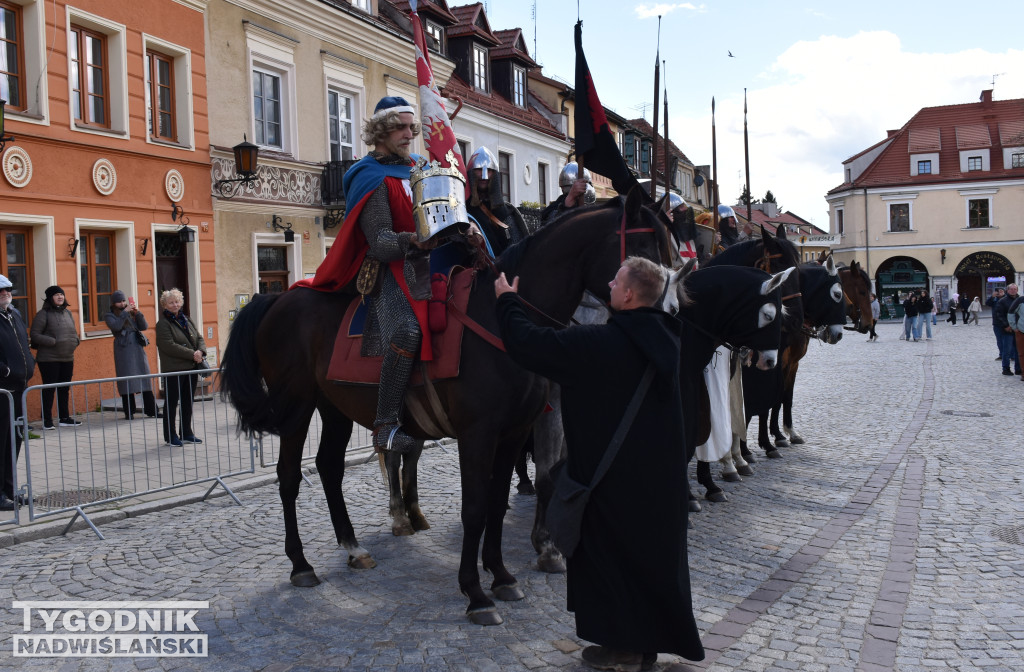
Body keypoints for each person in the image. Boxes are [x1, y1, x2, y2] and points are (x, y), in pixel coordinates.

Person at [494, 257, 704, 669]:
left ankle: (624, 652)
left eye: (615, 279)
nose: (608, 282)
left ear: (628, 295)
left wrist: (507, 301)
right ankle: (638, 647)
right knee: (648, 565)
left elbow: (529, 344)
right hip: (657, 485)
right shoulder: (667, 340)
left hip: (610, 484)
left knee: (610, 564)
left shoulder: (599, 344)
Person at [295, 96, 438, 453]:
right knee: (405, 331)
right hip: (389, 269)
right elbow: (381, 241)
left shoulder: (420, 167)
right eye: (400, 128)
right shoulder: (369, 175)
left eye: (412, 127)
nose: (409, 134)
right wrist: (413, 240)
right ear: (380, 132)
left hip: (432, 263)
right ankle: (386, 425)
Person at [0, 275, 34, 510]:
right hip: (3, 389)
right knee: (1, 442)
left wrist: (29, 364)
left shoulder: (15, 314)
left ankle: (10, 489)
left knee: (15, 439)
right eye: (0, 291)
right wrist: (6, 370)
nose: (5, 293)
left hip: (19, 388)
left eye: (8, 289)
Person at [155, 288, 206, 446]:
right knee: (171, 404)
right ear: (165, 305)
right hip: (174, 369)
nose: (175, 305)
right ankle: (171, 436)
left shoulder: (187, 319)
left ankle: (186, 432)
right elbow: (168, 346)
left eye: (177, 301)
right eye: (171, 302)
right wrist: (192, 354)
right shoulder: (163, 324)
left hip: (190, 368)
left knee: (187, 401)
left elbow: (199, 337)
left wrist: (201, 350)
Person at [29, 285, 81, 429]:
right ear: (50, 298)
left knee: (64, 389)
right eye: (57, 295)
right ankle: (47, 420)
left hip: (67, 357)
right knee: (49, 390)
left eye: (61, 294)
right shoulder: (43, 314)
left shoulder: (68, 313)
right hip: (48, 359)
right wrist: (52, 341)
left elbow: (73, 331)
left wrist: (76, 341)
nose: (60, 297)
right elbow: (34, 334)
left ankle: (64, 418)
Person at [466, 147, 530, 257]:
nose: (484, 175)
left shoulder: (506, 211)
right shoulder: (463, 209)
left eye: (489, 170)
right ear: (471, 173)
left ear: (495, 174)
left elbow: (516, 246)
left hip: (502, 270)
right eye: (479, 169)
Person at [104, 290, 158, 420]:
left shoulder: (129, 313)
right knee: (126, 380)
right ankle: (129, 412)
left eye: (123, 301)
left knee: (144, 378)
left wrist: (137, 313)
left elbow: (144, 326)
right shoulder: (109, 315)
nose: (122, 303)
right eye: (119, 301)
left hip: (137, 347)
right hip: (123, 348)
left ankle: (152, 411)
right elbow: (116, 326)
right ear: (114, 303)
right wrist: (124, 313)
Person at [993, 283, 1020, 376]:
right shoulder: (1002, 301)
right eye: (1011, 289)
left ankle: (1018, 368)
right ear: (1007, 290)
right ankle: (1006, 368)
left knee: (1018, 350)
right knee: (1007, 350)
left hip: (1018, 329)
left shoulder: (1019, 300)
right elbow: (999, 315)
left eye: (1015, 289)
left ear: (1017, 290)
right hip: (1007, 329)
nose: (1013, 291)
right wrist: (1006, 326)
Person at [1008, 292, 1024, 382]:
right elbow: (1010, 313)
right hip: (1021, 330)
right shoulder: (1020, 300)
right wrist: (1014, 326)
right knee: (1022, 353)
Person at [987, 288, 1005, 360]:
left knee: (1008, 340)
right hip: (996, 323)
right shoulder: (994, 300)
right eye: (998, 291)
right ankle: (1002, 354)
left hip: (1005, 323)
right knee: (999, 340)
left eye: (1001, 291)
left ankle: (1011, 355)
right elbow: (987, 303)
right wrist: (992, 297)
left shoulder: (1006, 299)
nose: (999, 293)